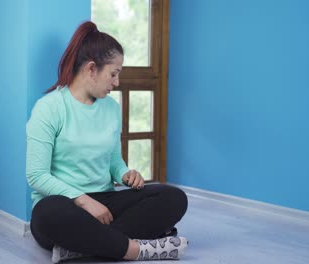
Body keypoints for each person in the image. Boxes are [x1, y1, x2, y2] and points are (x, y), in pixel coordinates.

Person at [26, 21, 188, 263]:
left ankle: (84, 247)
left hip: (105, 202)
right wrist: (83, 200)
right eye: (114, 74)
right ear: (92, 69)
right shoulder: (49, 108)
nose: (117, 82)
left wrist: (125, 174)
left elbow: (113, 160)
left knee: (174, 197)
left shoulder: (111, 108)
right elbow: (37, 176)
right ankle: (138, 250)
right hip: (66, 203)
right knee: (46, 214)